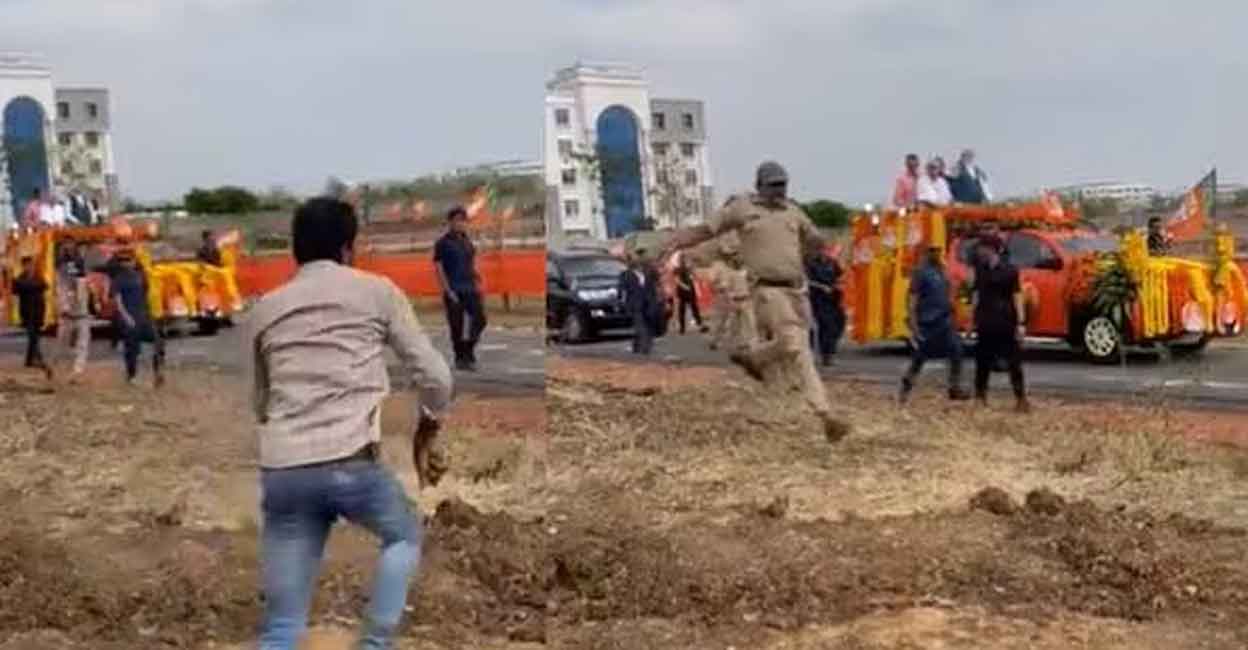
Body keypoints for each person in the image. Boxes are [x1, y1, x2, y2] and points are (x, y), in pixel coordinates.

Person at [247, 197, 453, 650]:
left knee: (283, 624)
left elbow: (260, 401)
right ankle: (375, 644)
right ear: (348, 247)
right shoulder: (376, 291)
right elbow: (435, 376)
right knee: (403, 536)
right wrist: (429, 421)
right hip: (350, 462)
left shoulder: (265, 308)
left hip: (284, 470)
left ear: (294, 251)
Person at [661, 160, 850, 443]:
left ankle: (761, 363)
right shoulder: (743, 209)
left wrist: (813, 251)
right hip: (766, 291)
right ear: (760, 185)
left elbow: (815, 240)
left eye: (783, 184)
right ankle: (824, 413)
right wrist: (676, 241)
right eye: (774, 184)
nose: (779, 190)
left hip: (796, 291)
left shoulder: (793, 211)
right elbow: (707, 229)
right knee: (793, 344)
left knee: (801, 350)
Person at [899, 246, 970, 403]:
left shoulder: (941, 271)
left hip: (945, 321)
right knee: (920, 357)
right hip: (928, 322)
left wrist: (953, 308)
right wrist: (913, 323)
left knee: (956, 351)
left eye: (938, 250)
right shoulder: (920, 272)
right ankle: (906, 386)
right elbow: (912, 299)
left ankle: (954, 387)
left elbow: (948, 293)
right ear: (926, 253)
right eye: (933, 251)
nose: (937, 254)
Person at [971, 236, 1029, 412]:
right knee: (982, 361)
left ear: (992, 249)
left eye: (982, 248)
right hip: (985, 321)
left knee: (1014, 361)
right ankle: (980, 396)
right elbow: (976, 294)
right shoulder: (980, 270)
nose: (979, 251)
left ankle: (1020, 398)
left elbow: (1017, 296)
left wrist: (1021, 322)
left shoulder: (1010, 271)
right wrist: (971, 319)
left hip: (1005, 321)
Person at [433, 206, 487, 371]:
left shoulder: (466, 240)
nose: (460, 224)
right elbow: (439, 267)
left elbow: (470, 261)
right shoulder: (443, 243)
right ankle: (461, 358)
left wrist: (477, 277)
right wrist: (448, 290)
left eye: (463, 221)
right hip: (454, 289)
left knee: (480, 319)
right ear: (450, 222)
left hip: (470, 287)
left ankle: (468, 349)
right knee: (456, 325)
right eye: (457, 220)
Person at [110, 248, 165, 387]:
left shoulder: (140, 276)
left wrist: (151, 313)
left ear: (134, 261)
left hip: (143, 315)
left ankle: (158, 372)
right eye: (123, 261)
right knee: (132, 349)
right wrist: (126, 317)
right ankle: (131, 375)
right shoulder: (118, 279)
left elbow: (146, 295)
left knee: (158, 342)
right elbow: (118, 301)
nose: (126, 263)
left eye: (128, 260)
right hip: (128, 317)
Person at [12, 256, 52, 379]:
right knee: (32, 335)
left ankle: (29, 360)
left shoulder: (37, 276)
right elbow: (17, 289)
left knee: (36, 335)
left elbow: (45, 286)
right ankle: (39, 360)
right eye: (28, 265)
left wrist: (29, 286)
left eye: (32, 265)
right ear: (24, 266)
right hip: (27, 311)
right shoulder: (19, 278)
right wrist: (32, 286)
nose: (30, 267)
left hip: (39, 310)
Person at [805, 243, 844, 367]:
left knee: (834, 326)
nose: (825, 252)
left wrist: (839, 284)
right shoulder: (811, 264)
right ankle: (813, 355)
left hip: (832, 299)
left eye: (827, 250)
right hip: (816, 298)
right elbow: (807, 281)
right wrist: (821, 287)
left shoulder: (832, 263)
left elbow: (840, 276)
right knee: (814, 327)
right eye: (823, 250)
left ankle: (828, 354)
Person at [56, 247, 91, 380]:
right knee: (62, 342)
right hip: (68, 316)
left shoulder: (82, 281)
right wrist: (64, 308)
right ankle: (58, 366)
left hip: (81, 315)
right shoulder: (63, 282)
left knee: (82, 343)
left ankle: (77, 370)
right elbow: (62, 294)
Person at [618, 250, 661, 355]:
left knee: (648, 325)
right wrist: (623, 303)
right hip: (635, 304)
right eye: (637, 264)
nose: (640, 266)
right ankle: (645, 348)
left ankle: (637, 346)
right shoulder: (626, 275)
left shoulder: (649, 273)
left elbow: (656, 283)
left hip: (649, 303)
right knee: (640, 325)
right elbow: (622, 290)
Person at [674, 255, 707, 335]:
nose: (685, 261)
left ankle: (701, 325)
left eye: (685, 259)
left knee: (695, 309)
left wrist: (698, 279)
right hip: (682, 291)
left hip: (691, 291)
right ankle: (682, 328)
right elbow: (677, 280)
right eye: (683, 259)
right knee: (682, 310)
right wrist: (684, 286)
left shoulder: (689, 269)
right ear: (680, 260)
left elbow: (695, 276)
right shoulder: (677, 269)